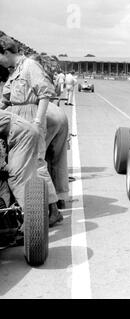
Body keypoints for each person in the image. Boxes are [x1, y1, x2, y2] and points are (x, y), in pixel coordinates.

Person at [0, 35, 63, 227]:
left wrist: (37, 121)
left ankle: (52, 210)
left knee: (37, 165)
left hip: (30, 115)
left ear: (7, 53)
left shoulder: (29, 66)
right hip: (16, 116)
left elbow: (45, 94)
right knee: (25, 167)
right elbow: (6, 98)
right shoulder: (14, 71)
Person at [0, 109, 39, 209]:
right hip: (22, 131)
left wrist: (3, 165)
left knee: (15, 177)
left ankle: (29, 216)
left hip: (21, 134)